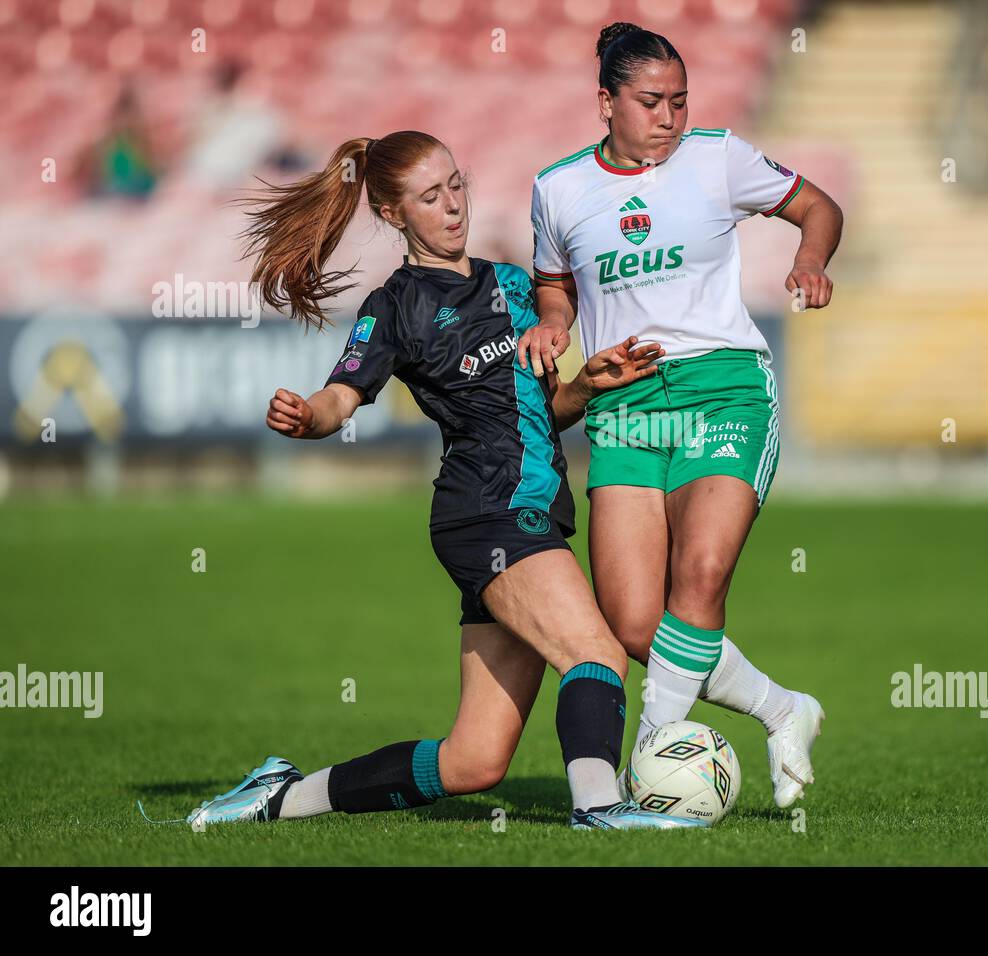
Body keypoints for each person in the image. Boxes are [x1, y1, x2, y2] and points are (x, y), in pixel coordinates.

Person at [187, 130, 700, 831]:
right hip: (486, 516)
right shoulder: (395, 306)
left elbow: (537, 412)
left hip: (534, 514)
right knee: (596, 651)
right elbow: (342, 396)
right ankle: (600, 807)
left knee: (473, 762)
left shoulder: (515, 285)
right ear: (396, 215)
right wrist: (310, 416)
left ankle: (281, 796)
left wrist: (586, 386)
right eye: (431, 196)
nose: (454, 205)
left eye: (456, 184)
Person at [522, 23, 844, 808]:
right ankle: (784, 709)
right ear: (605, 102)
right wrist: (554, 321)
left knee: (699, 579)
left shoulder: (718, 158)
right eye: (650, 102)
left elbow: (818, 207)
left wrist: (809, 261)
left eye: (679, 101)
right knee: (636, 627)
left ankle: (643, 773)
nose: (669, 117)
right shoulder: (558, 188)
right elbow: (555, 284)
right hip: (625, 407)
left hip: (723, 389)